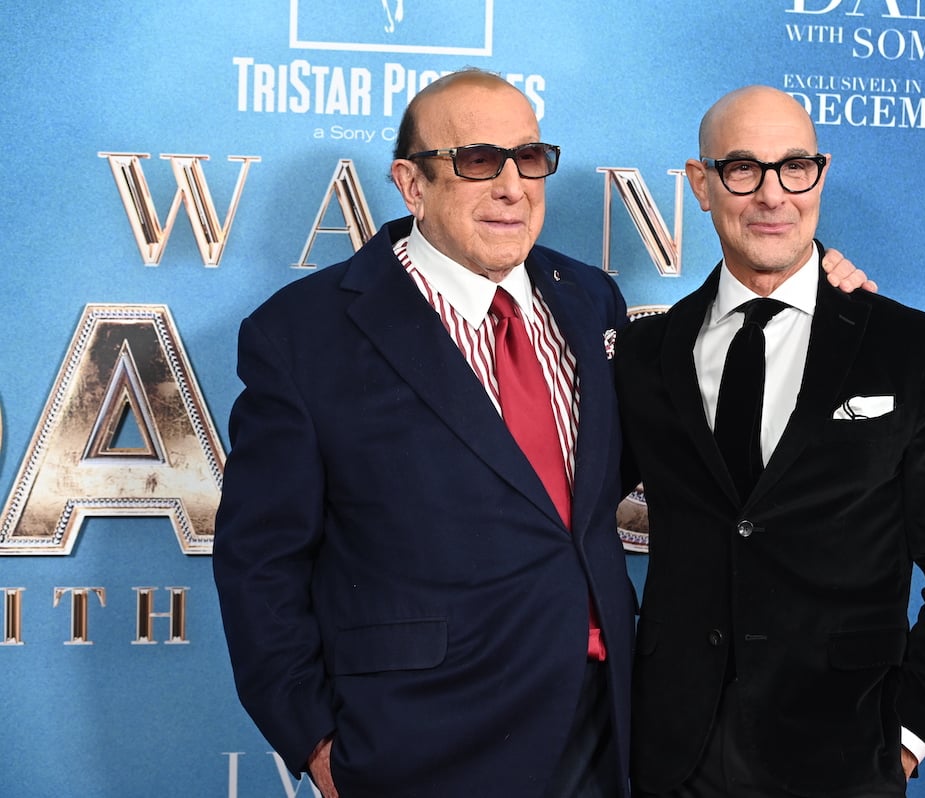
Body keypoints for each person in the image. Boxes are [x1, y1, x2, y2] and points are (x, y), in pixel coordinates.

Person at [213, 69, 871, 798]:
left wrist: (813, 294)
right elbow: (258, 561)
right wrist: (315, 741)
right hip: (421, 741)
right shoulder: (304, 333)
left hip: (606, 726)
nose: (510, 185)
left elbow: (645, 462)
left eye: (528, 158)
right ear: (411, 183)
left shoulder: (589, 298)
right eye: (476, 160)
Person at [615, 86, 925, 798]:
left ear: (820, 175)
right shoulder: (645, 353)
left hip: (845, 756)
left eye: (795, 166)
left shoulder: (913, 351)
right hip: (674, 757)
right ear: (700, 184)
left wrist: (911, 735)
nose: (773, 195)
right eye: (742, 168)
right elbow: (564, 515)